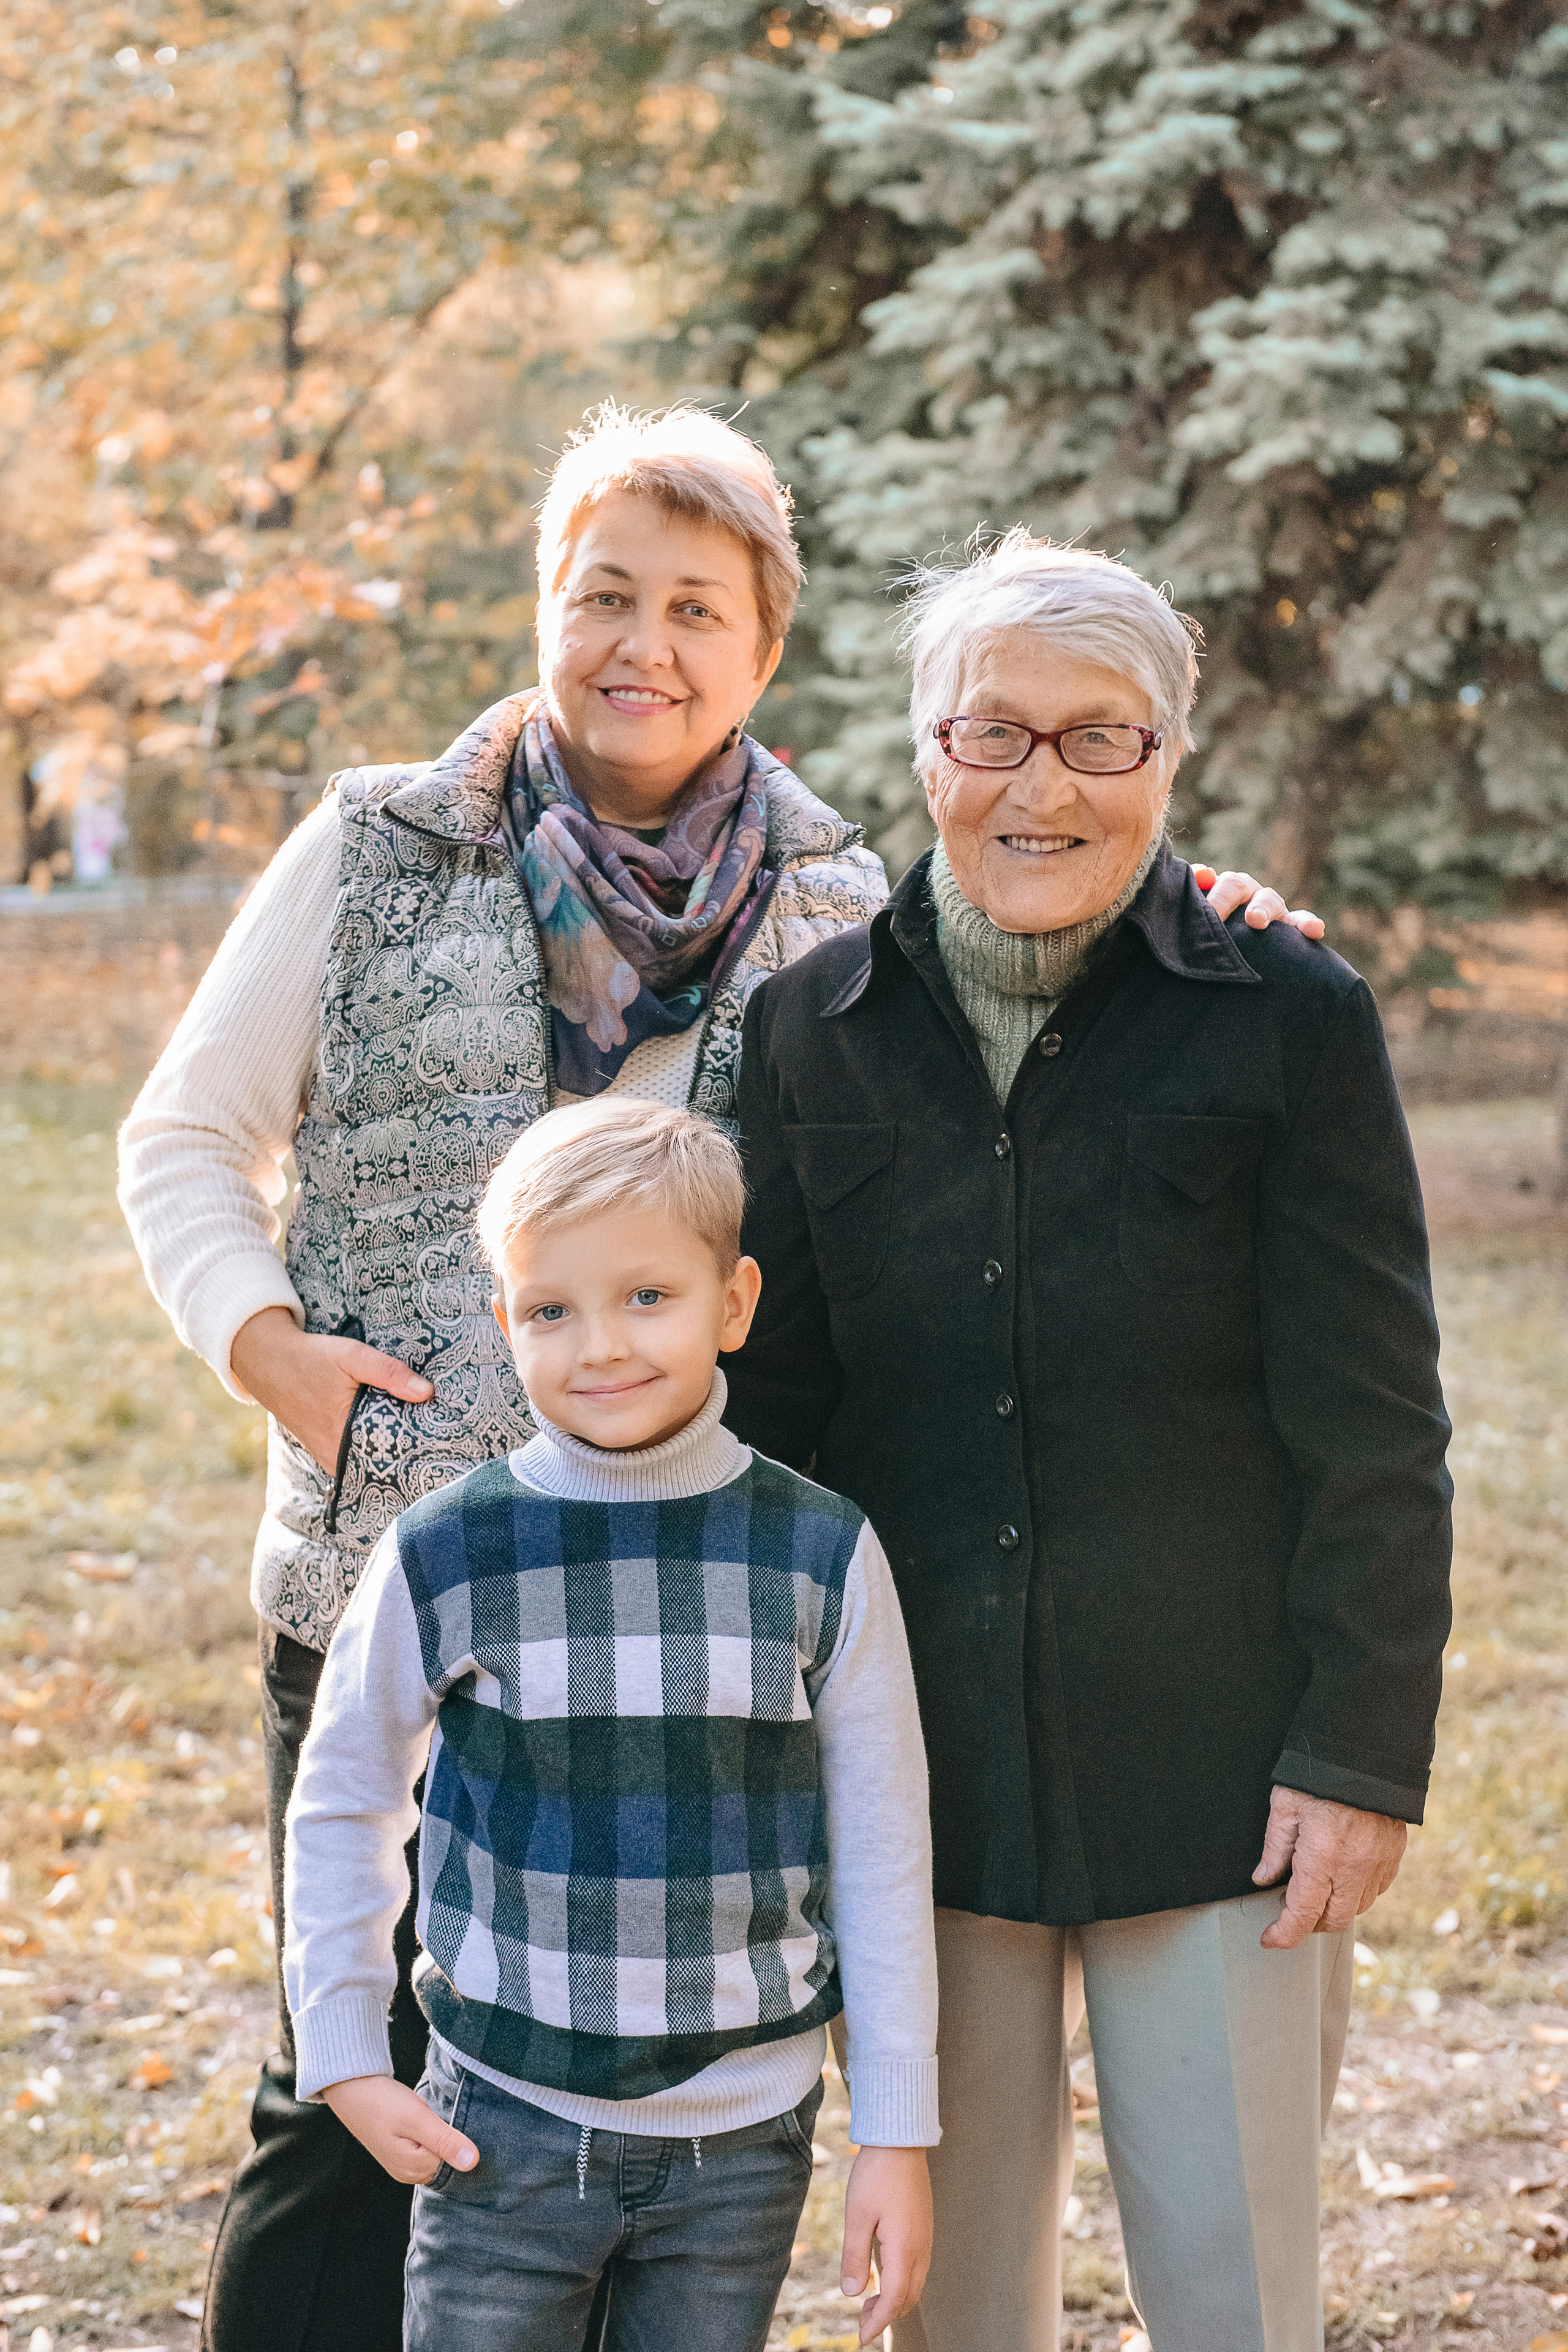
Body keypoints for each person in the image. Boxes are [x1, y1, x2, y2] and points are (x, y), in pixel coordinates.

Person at [116, 396, 1314, 2352]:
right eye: (603, 595)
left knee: (635, 2087)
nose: (641, 646)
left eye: (696, 607)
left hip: (694, 1615)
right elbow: (183, 1139)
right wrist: (273, 1355)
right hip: (401, 1569)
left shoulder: (840, 907)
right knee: (359, 2087)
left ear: (764, 651)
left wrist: (1222, 909)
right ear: (543, 610)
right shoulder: (375, 850)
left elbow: (1057, 910)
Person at [723, 530, 1455, 2352]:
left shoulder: (1290, 1019)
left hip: (1220, 1781)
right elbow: (777, 1422)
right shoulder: (810, 1033)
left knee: (1232, 2296)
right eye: (996, 734)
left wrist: (1360, 1748)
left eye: (1099, 738)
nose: (1042, 783)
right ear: (927, 753)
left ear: (1166, 764)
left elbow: (1376, 1421)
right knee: (952, 2312)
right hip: (920, 1775)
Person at [283, 1099, 937, 2352]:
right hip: (500, 2127)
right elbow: (346, 1798)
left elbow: (881, 1855)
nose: (601, 1347)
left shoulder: (821, 1556)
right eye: (551, 1310)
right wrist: (346, 2052)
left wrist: (892, 2134)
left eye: (649, 1297)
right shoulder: (447, 1550)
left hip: (741, 2143)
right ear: (505, 1325)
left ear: (733, 1304)